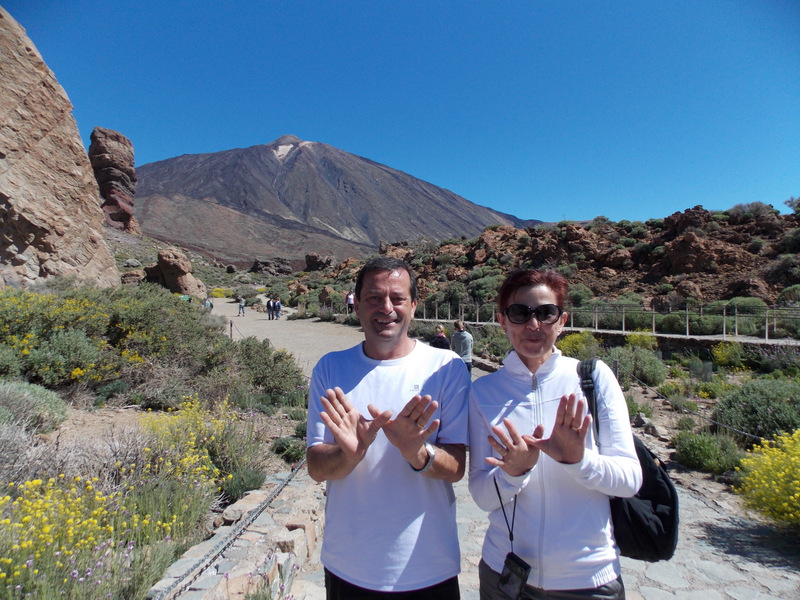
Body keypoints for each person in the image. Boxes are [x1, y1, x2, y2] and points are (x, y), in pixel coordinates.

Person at [468, 269, 641, 600]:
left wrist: (578, 460)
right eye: (520, 313)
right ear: (502, 320)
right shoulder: (483, 393)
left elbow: (630, 479)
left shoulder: (592, 379)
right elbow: (481, 496)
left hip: (588, 580)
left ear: (562, 320)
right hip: (504, 576)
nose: (533, 325)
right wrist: (513, 474)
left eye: (545, 313)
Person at [306, 256, 470, 599]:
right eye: (374, 298)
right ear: (356, 305)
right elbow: (316, 465)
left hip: (429, 567)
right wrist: (348, 455)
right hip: (349, 566)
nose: (386, 308)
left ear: (413, 305)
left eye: (397, 298)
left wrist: (417, 452)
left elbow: (456, 467)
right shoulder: (330, 368)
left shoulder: (445, 367)